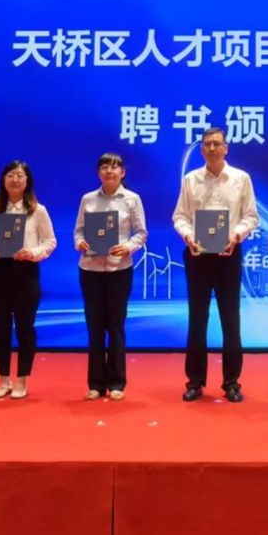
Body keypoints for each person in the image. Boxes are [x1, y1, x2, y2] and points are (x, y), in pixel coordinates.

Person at [172, 126, 259, 403]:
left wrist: (237, 235)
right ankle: (195, 382)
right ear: (201, 149)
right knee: (197, 320)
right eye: (207, 144)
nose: (212, 148)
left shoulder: (241, 178)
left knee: (231, 320)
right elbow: (180, 216)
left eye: (217, 144)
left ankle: (232, 382)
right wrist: (188, 236)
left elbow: (251, 216)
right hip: (197, 255)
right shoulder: (191, 179)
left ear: (226, 148)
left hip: (227, 255)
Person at [0, 161, 56, 400]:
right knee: (0, 328)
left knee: (25, 328)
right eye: (10, 175)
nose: (14, 180)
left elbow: (50, 242)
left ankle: (22, 380)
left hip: (26, 273)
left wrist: (33, 253)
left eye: (19, 175)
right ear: (3, 180)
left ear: (27, 181)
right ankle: (4, 380)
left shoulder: (37, 210)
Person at [74, 152, 148, 401]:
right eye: (104, 167)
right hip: (90, 270)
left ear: (122, 173)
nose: (109, 171)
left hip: (119, 269)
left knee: (115, 327)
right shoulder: (88, 199)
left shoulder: (132, 199)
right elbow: (78, 231)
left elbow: (141, 233)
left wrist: (127, 247)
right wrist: (80, 243)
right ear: (98, 173)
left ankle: (117, 382)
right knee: (94, 327)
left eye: (114, 167)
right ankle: (96, 384)